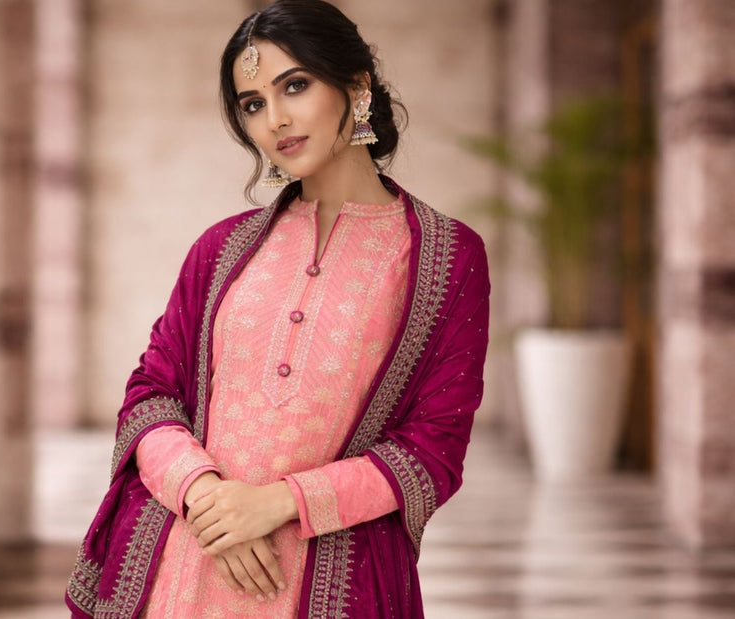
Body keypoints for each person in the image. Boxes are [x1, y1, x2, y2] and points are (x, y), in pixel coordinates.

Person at [65, 1, 490, 617]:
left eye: (295, 86)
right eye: (253, 103)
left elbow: (434, 447)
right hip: (181, 565)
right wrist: (204, 496)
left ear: (357, 86)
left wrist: (273, 504)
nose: (276, 120)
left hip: (327, 582)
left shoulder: (446, 257)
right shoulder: (220, 249)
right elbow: (150, 393)